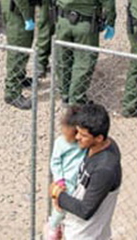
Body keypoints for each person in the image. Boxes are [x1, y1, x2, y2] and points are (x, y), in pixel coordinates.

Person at [50, 103, 121, 240]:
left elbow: (85, 210)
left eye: (83, 135)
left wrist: (58, 194)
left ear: (99, 138)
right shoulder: (97, 145)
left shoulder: (104, 169)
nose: (77, 138)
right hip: (77, 228)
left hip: (87, 234)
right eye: (78, 132)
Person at [46, 106, 87, 240]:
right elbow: (55, 162)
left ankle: (65, 226)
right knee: (60, 207)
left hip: (80, 181)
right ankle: (53, 225)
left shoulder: (83, 143)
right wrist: (59, 179)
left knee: (75, 209)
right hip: (65, 182)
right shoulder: (61, 143)